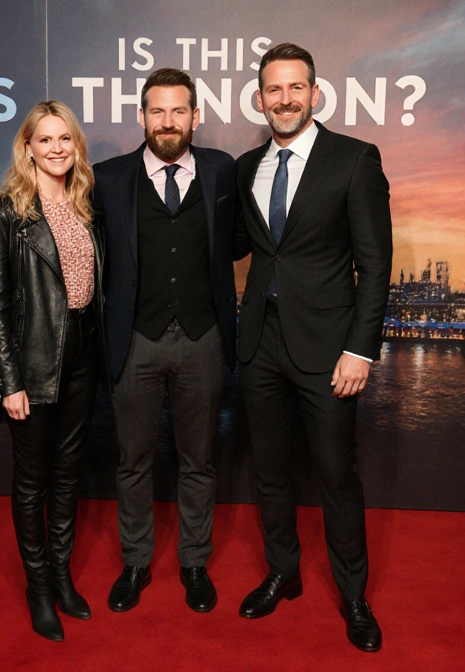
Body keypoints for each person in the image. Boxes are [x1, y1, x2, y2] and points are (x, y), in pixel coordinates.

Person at [235, 43, 390, 652]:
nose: (285, 99)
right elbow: (244, 247)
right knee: (271, 474)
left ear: (315, 93)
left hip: (330, 350)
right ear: (260, 99)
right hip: (260, 347)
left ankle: (354, 597)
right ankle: (284, 572)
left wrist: (361, 349)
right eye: (273, 90)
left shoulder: (354, 160)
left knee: (335, 476)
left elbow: (375, 267)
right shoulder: (248, 167)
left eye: (295, 88)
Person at [91, 68, 246, 614]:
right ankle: (135, 563)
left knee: (198, 461)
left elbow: (239, 241)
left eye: (179, 110)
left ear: (195, 116)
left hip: (204, 339)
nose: (168, 121)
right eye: (157, 111)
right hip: (134, 340)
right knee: (133, 460)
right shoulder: (108, 178)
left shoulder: (221, 171)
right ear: (141, 117)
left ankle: (194, 562)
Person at [0, 100, 104, 642]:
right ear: (27, 147)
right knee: (32, 483)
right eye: (45, 139)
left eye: (65, 139)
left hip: (84, 356)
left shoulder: (85, 206)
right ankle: (37, 587)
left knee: (69, 474)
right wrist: (9, 381)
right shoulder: (5, 212)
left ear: (75, 146)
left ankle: (60, 574)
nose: (57, 148)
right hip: (31, 360)